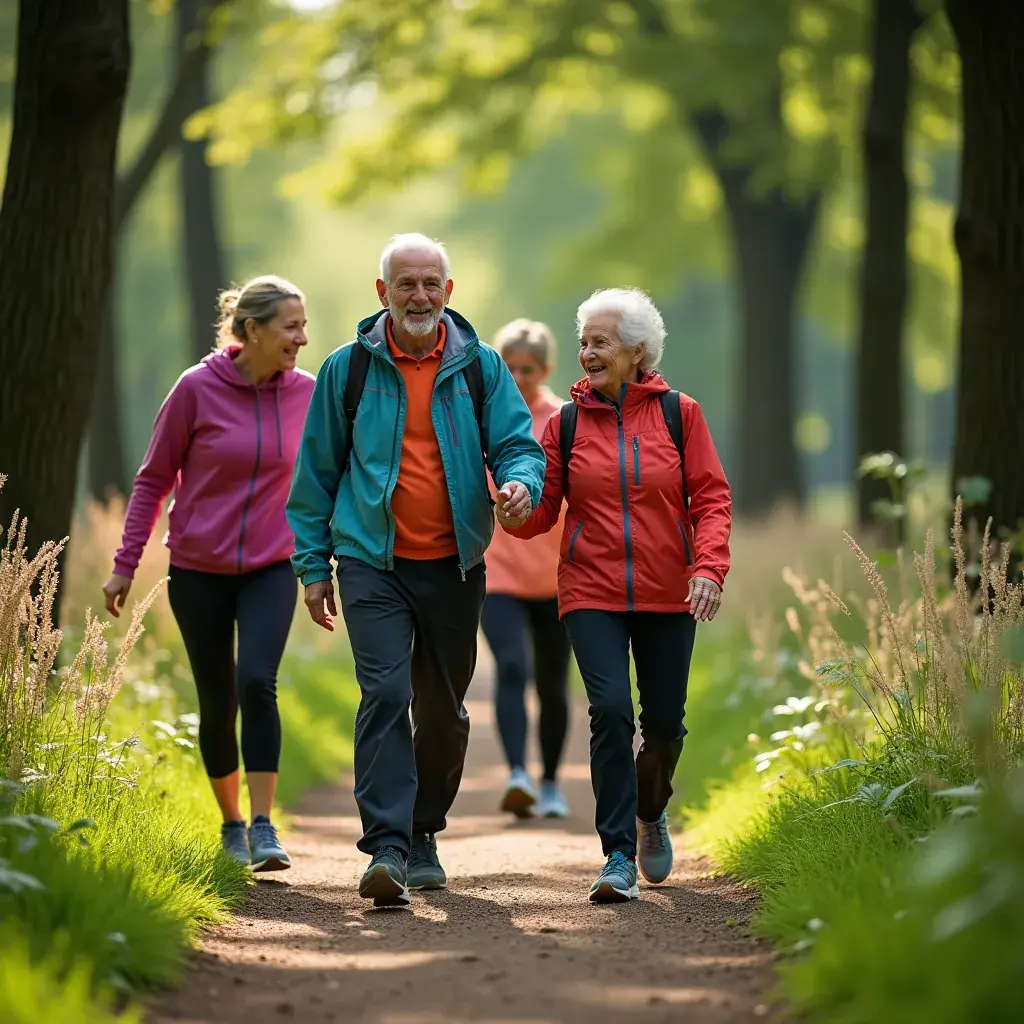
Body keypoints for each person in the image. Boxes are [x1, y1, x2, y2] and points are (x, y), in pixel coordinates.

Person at [286, 232, 546, 908]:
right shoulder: (348, 370)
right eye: (406, 283)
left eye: (432, 283)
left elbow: (519, 445)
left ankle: (423, 828)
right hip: (372, 563)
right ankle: (387, 849)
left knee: (442, 712)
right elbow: (315, 475)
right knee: (383, 695)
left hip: (455, 567)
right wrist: (314, 567)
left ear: (449, 292)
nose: (420, 295)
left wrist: (521, 485)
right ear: (382, 293)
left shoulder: (481, 367)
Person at [505, 287, 731, 903]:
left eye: (599, 342)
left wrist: (708, 568)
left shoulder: (680, 415)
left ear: (637, 351)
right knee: (608, 711)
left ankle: (650, 809)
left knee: (664, 726)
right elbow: (544, 508)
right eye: (582, 342)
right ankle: (616, 857)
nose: (587, 353)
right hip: (592, 588)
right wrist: (517, 509)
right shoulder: (566, 423)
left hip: (668, 590)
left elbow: (710, 498)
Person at [103, 275, 315, 873]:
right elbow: (153, 479)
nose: (302, 337)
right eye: (290, 326)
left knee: (257, 680)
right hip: (198, 569)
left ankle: (266, 826)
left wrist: (326, 556)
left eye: (303, 325)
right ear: (251, 330)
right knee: (217, 698)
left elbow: (329, 476)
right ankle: (232, 825)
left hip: (273, 566)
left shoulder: (307, 393)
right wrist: (125, 564)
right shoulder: (195, 390)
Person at [481, 319, 573, 820]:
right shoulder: (482, 418)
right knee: (513, 666)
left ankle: (553, 782)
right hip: (498, 573)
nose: (518, 377)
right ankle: (518, 774)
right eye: (510, 367)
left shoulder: (564, 419)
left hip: (558, 576)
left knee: (553, 684)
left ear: (546, 370)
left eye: (528, 369)